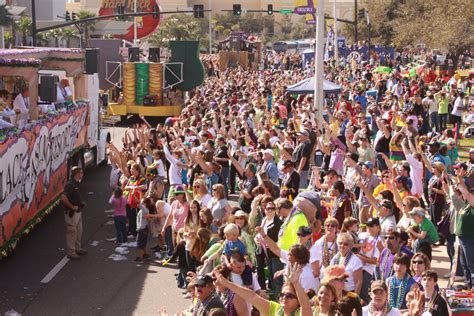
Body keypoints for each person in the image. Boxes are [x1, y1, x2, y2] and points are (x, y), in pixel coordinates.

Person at [214, 266, 313, 316]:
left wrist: (296, 283)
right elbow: (251, 296)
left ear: (298, 301)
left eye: (289, 296)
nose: (284, 297)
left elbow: (306, 307)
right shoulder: (275, 309)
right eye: (282, 294)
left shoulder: (300, 313)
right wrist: (227, 284)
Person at [60, 166, 87, 259]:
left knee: (79, 230)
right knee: (72, 231)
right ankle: (71, 252)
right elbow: (63, 197)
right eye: (81, 173)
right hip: (72, 213)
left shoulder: (76, 183)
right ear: (76, 174)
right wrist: (72, 206)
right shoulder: (70, 185)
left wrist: (80, 203)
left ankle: (77, 248)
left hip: (78, 212)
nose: (82, 174)